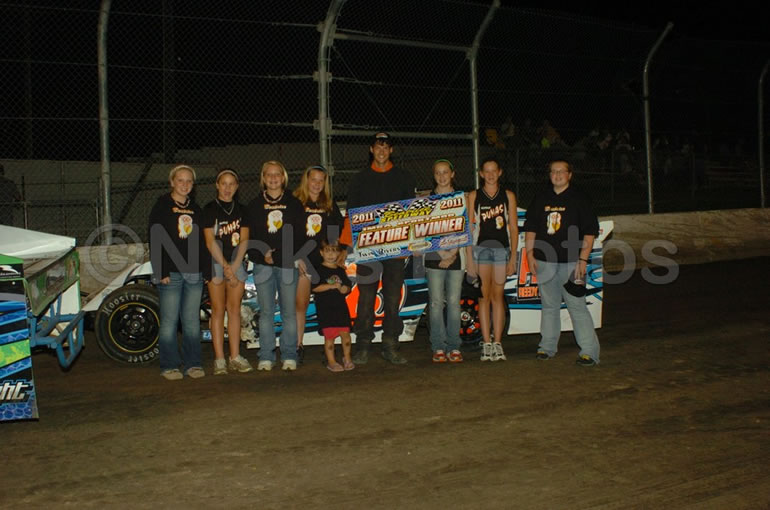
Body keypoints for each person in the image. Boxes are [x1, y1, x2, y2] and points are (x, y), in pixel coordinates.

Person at [345, 132, 416, 365]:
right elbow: (351, 213)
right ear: (371, 149)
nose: (382, 151)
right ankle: (363, 345)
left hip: (396, 248)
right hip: (368, 249)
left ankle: (390, 344)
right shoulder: (360, 179)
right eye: (378, 146)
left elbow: (411, 213)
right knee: (366, 297)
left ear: (391, 150)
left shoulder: (404, 177)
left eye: (386, 147)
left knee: (393, 297)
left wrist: (412, 243)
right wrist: (346, 244)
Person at [523, 159, 601, 366]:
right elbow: (530, 228)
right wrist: (530, 255)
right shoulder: (541, 197)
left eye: (561, 171)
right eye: (553, 171)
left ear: (570, 175)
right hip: (544, 262)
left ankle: (589, 351)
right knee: (549, 306)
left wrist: (583, 259)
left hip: (572, 263)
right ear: (549, 175)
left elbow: (590, 231)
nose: (557, 175)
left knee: (577, 306)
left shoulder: (580, 198)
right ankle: (547, 347)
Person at [247, 160, 305, 371]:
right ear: (263, 178)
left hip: (287, 264)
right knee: (266, 312)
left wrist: (279, 256)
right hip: (262, 265)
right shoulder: (254, 205)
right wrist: (262, 254)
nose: (273, 178)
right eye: (269, 174)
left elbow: (300, 236)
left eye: (277, 174)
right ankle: (266, 355)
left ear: (284, 177)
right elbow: (249, 237)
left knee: (288, 311)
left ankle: (289, 355)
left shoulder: (294, 203)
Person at [148, 164, 205, 380]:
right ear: (172, 182)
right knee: (169, 320)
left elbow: (203, 243)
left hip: (194, 272)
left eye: (189, 181)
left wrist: (204, 270)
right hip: (170, 272)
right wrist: (160, 270)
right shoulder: (162, 206)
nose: (184, 184)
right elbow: (155, 238)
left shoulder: (196, 209)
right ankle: (169, 365)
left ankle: (193, 364)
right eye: (180, 180)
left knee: (191, 321)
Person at [465, 157, 518, 362]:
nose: (490, 174)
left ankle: (498, 342)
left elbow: (513, 228)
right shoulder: (474, 195)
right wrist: (469, 259)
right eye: (486, 171)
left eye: (494, 170)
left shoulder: (508, 195)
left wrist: (513, 257)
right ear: (480, 174)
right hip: (481, 251)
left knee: (498, 296)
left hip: (501, 251)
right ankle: (486, 343)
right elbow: (469, 229)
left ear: (500, 172)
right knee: (483, 296)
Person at [201, 168, 253, 375]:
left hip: (236, 262)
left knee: (234, 309)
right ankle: (219, 359)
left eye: (232, 184)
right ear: (217, 185)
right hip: (216, 262)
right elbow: (209, 241)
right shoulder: (209, 209)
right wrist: (225, 267)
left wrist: (235, 265)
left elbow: (244, 240)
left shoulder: (243, 210)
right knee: (218, 309)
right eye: (224, 183)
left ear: (237, 187)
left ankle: (235, 356)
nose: (227, 188)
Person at [293, 165, 345, 356]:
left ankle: (329, 346)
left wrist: (338, 254)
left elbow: (335, 234)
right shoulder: (295, 202)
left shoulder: (329, 205)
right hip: (304, 261)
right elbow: (288, 233)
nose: (317, 184)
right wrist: (296, 257)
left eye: (321, 180)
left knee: (329, 302)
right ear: (306, 180)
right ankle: (298, 345)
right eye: (313, 179)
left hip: (324, 263)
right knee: (301, 303)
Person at [424, 159, 464, 363]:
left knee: (454, 303)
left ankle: (454, 346)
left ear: (452, 174)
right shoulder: (427, 201)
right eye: (438, 173)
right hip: (434, 257)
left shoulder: (461, 198)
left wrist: (453, 254)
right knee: (436, 303)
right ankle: (438, 346)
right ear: (434, 176)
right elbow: (424, 230)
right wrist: (442, 254)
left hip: (456, 256)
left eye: (445, 172)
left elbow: (464, 228)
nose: (442, 176)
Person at [312, 240, 355, 372]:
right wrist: (330, 286)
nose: (331, 255)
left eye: (334, 251)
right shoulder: (318, 270)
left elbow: (348, 286)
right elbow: (314, 288)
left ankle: (347, 358)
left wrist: (344, 289)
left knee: (346, 336)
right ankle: (331, 361)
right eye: (327, 251)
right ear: (321, 253)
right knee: (329, 338)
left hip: (340, 308)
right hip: (325, 309)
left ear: (339, 253)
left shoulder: (341, 270)